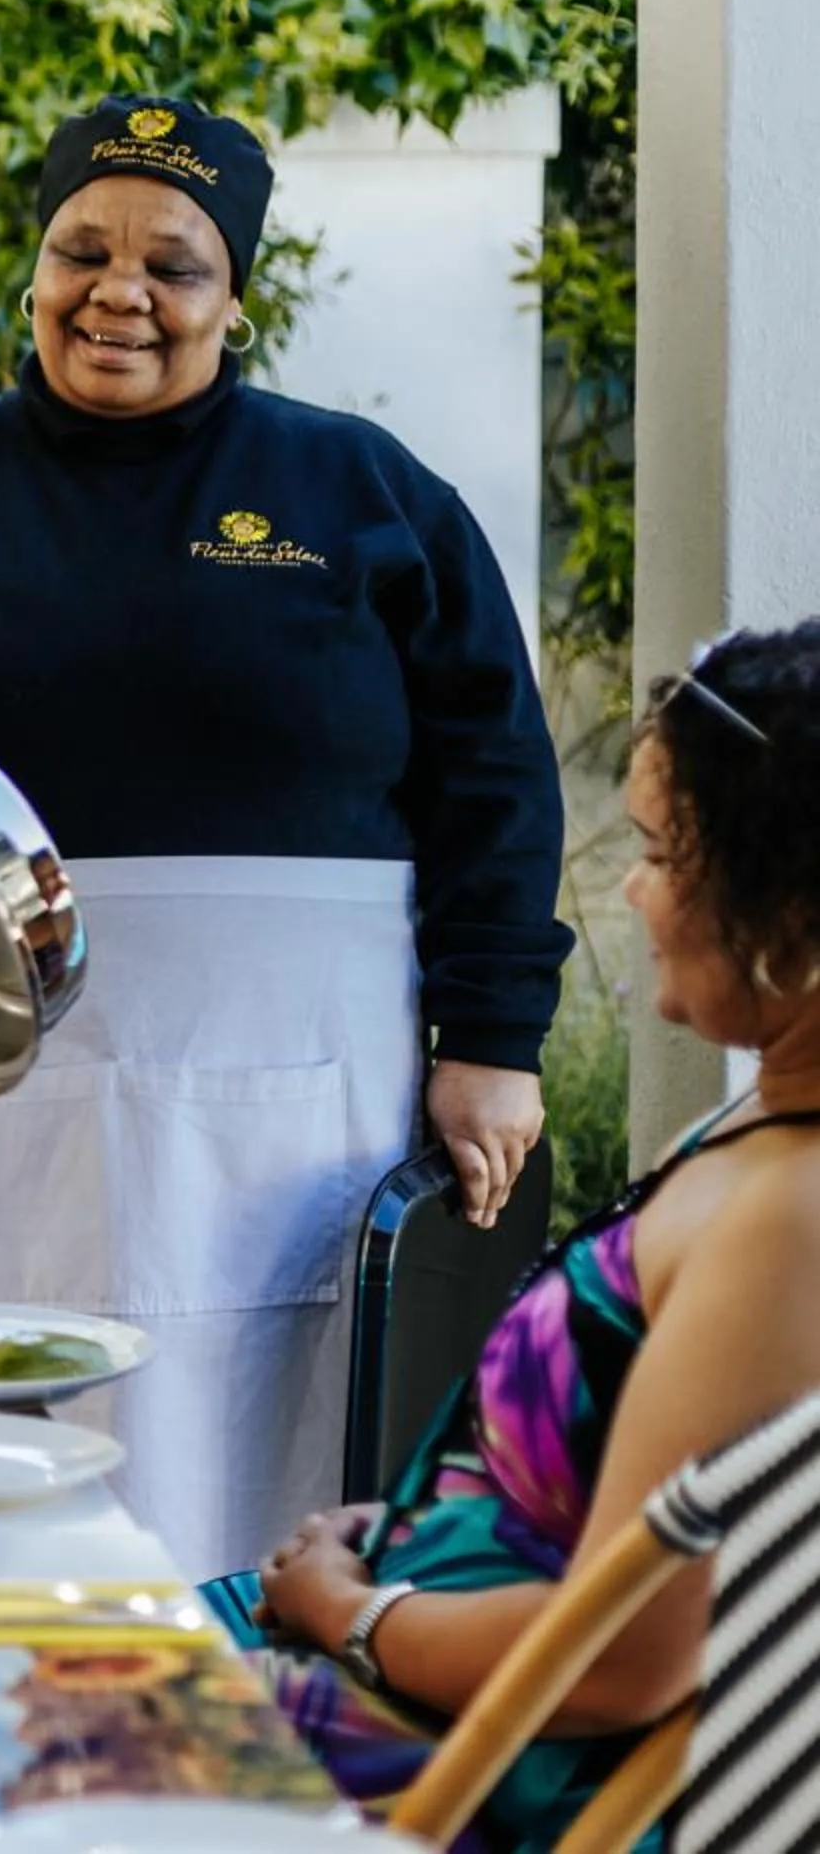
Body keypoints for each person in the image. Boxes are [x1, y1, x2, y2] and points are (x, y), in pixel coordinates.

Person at [0, 94, 570, 1577]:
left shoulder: (362, 495)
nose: (121, 291)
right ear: (33, 273)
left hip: (288, 1105)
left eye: (174, 265)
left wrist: (494, 1036)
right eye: (81, 251)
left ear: (235, 301)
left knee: (264, 1467)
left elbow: (495, 771)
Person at [210, 624, 820, 1849]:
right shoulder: (771, 1123)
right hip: (419, 1673)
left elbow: (620, 1665)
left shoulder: (791, 1224)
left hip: (465, 1772)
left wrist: (355, 1612)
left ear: (787, 914)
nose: (634, 891)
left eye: (660, 852)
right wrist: (386, 1555)